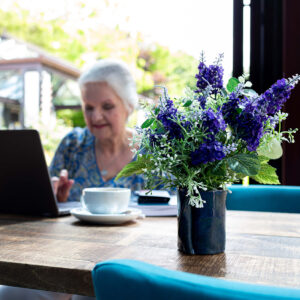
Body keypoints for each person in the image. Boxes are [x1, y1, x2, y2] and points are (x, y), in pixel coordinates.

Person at [0, 59, 145, 300]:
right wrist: (55, 201)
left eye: (107, 106)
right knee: (9, 293)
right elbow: (42, 211)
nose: (96, 116)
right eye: (88, 107)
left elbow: (170, 216)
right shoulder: (73, 144)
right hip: (63, 259)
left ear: (128, 105)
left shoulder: (153, 153)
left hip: (128, 264)